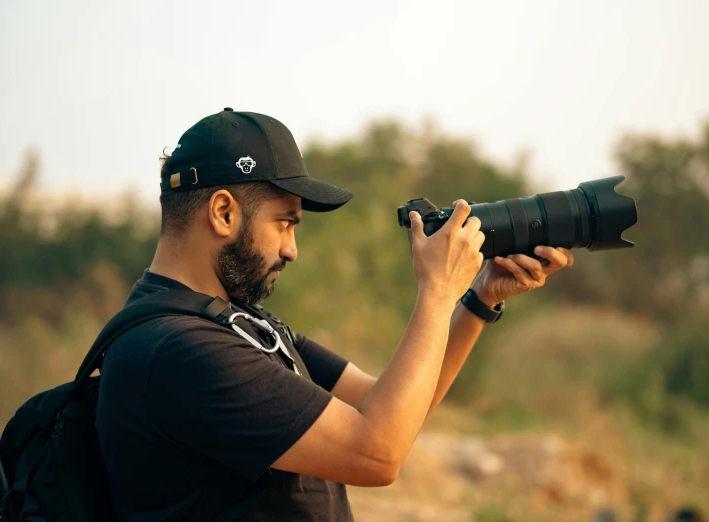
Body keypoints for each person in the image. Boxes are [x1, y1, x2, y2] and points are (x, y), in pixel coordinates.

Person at [95, 108, 574, 521]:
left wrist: (477, 298)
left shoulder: (233, 324)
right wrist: (436, 290)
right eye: (285, 222)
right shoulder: (178, 350)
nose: (292, 249)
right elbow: (377, 453)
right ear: (223, 212)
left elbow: (394, 406)